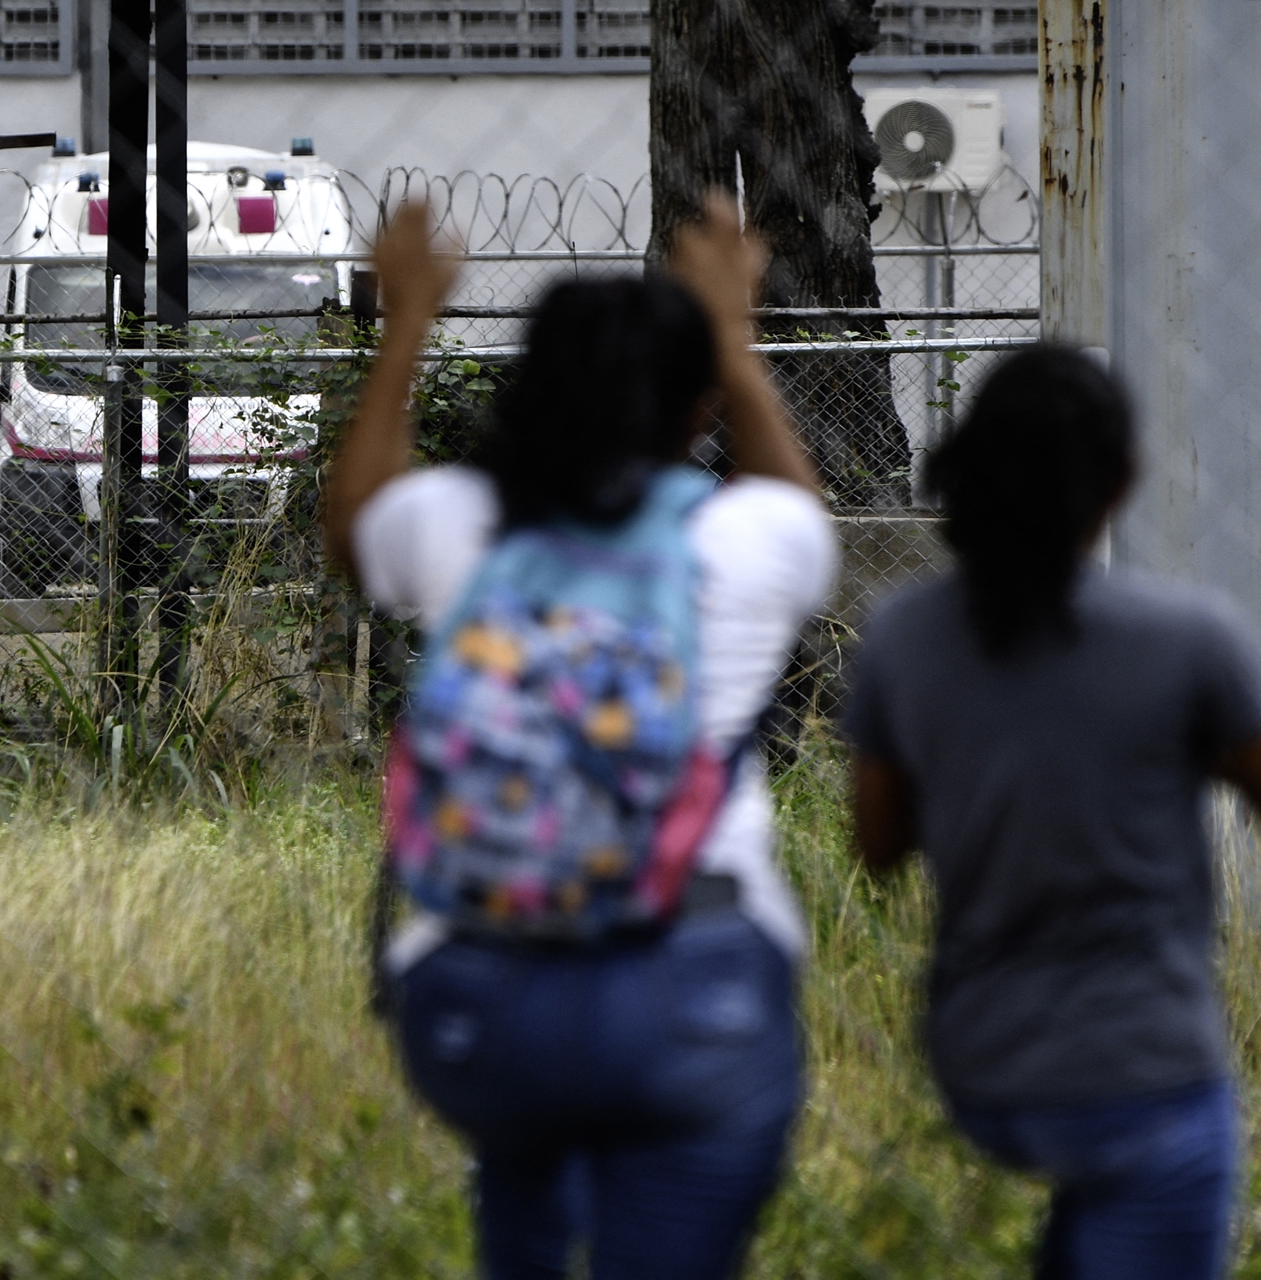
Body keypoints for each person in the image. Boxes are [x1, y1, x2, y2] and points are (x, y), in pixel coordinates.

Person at [323, 195, 836, 1280]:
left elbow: (355, 522)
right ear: (695, 411)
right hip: (687, 981)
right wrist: (728, 341)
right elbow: (803, 520)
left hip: (479, 989)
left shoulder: (459, 525)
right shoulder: (738, 542)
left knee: (524, 1203)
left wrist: (406, 320)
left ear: (528, 390)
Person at [845, 345, 1261, 1280]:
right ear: (1121, 481)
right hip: (1141, 1067)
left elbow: (877, 845)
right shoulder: (1189, 640)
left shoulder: (904, 638)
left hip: (981, 1058)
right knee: (1163, 1169)